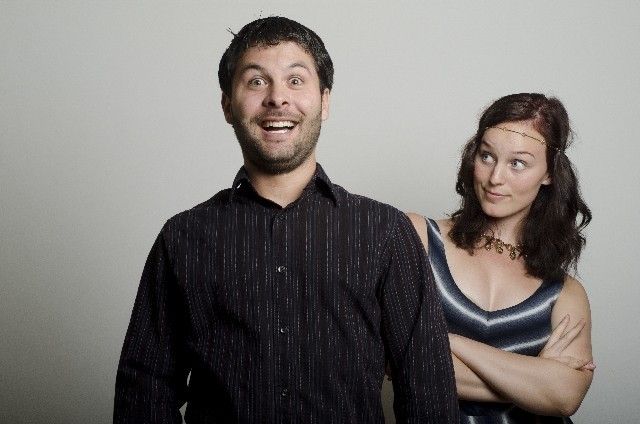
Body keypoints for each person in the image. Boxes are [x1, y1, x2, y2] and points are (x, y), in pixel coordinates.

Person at [113, 16, 459, 423]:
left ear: (325, 101)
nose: (277, 98)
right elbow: (144, 391)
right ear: (227, 105)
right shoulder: (183, 237)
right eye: (256, 81)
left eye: (295, 80)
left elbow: (428, 391)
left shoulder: (384, 231)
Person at [407, 93, 594, 423]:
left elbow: (565, 397)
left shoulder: (566, 293)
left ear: (549, 173)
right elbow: (400, 363)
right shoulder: (417, 238)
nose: (495, 178)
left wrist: (447, 342)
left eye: (518, 163)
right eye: (487, 156)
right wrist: (536, 380)